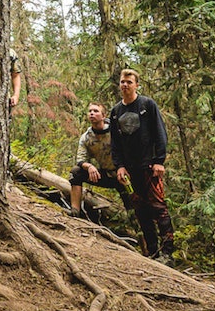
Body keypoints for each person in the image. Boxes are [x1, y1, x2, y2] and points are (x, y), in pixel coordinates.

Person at [109, 68, 175, 259]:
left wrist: (159, 160)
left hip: (149, 167)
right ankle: (152, 251)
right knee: (141, 211)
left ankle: (168, 253)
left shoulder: (147, 104)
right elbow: (115, 143)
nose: (125, 85)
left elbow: (160, 133)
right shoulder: (115, 112)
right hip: (130, 171)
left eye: (129, 82)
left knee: (159, 207)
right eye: (122, 81)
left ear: (137, 84)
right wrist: (119, 166)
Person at [69, 102, 134, 217]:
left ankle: (138, 227)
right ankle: (75, 212)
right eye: (90, 111)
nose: (92, 113)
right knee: (76, 172)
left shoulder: (116, 131)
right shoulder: (86, 137)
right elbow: (80, 159)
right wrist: (89, 166)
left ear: (103, 116)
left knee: (132, 205)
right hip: (106, 175)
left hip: (124, 174)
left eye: (96, 111)